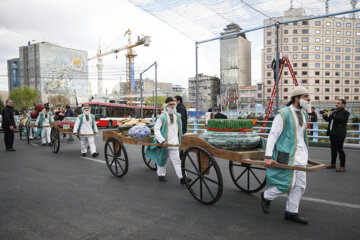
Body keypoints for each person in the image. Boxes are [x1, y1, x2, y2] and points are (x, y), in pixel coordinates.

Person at [261, 86, 311, 225]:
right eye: (306, 96)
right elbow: (273, 135)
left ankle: (291, 212)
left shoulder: (304, 114)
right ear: (297, 98)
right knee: (286, 184)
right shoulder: (283, 114)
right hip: (287, 154)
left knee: (300, 186)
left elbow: (301, 136)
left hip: (301, 155)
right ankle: (266, 196)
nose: (309, 99)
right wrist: (268, 156)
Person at [145, 97, 191, 184]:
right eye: (170, 104)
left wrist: (181, 140)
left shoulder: (178, 116)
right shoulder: (161, 117)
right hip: (164, 143)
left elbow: (179, 129)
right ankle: (161, 174)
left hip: (174, 143)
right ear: (166, 106)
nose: (172, 106)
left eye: (174, 104)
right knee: (162, 159)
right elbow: (156, 129)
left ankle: (182, 177)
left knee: (177, 161)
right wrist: (162, 141)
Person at [322, 99, 350, 172]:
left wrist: (329, 115)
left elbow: (339, 119)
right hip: (332, 134)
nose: (336, 104)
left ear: (343, 105)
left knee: (340, 149)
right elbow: (329, 119)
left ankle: (342, 166)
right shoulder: (334, 112)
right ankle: (333, 164)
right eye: (336, 103)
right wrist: (324, 115)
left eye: (338, 103)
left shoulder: (345, 113)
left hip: (340, 134)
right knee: (333, 149)